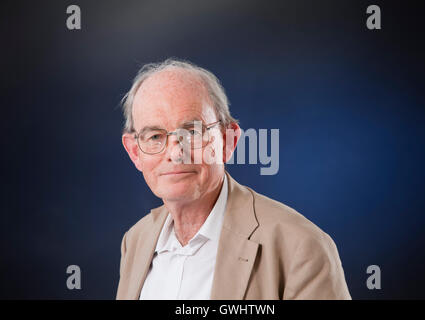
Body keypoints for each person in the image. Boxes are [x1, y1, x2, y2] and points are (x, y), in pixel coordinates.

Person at [116, 58, 351, 300]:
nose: (176, 154)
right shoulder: (135, 241)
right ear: (135, 151)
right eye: (155, 136)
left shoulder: (301, 246)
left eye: (193, 132)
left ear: (228, 141)